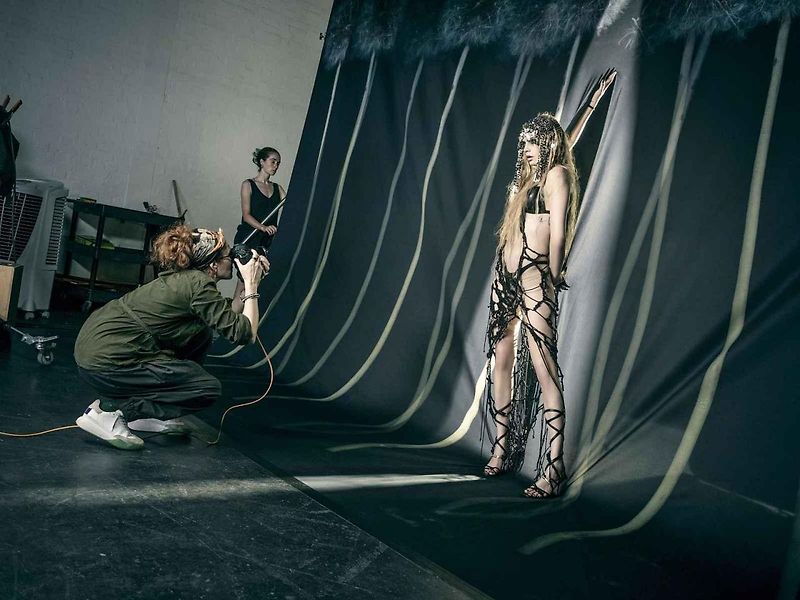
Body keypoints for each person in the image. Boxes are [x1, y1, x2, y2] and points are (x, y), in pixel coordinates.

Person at [482, 69, 616, 498]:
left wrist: (555, 276)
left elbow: (558, 234)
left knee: (544, 368)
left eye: (531, 142)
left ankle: (553, 468)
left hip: (535, 278)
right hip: (505, 276)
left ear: (546, 143)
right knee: (501, 360)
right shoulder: (530, 178)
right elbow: (564, 140)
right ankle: (502, 448)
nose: (524, 148)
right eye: (522, 142)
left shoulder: (557, 175)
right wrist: (587, 106)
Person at [74, 225, 269, 450]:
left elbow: (227, 314)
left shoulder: (188, 280)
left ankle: (145, 415)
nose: (232, 259)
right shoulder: (197, 284)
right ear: (213, 265)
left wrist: (247, 280)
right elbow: (245, 334)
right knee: (206, 388)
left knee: (201, 333)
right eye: (228, 256)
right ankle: (111, 413)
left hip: (99, 350)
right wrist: (252, 285)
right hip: (107, 360)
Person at [232, 147, 287, 313]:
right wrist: (263, 227)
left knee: (257, 288)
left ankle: (247, 323)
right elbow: (246, 215)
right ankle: (230, 322)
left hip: (267, 243)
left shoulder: (278, 188)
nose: (276, 166)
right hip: (249, 239)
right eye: (273, 161)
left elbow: (292, 207)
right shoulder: (248, 185)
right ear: (262, 162)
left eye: (278, 163)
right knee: (243, 286)